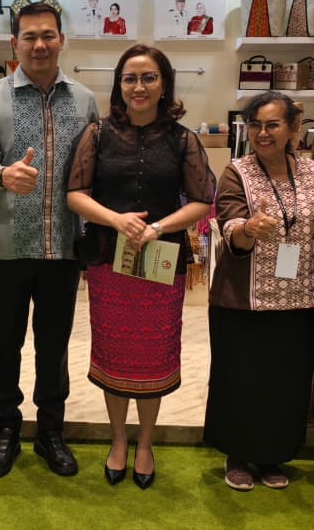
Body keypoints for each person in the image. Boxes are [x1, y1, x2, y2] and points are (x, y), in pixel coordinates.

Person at [66, 45, 214, 488]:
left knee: (153, 358)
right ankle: (118, 440)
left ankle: (145, 444)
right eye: (130, 78)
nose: (139, 87)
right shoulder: (97, 134)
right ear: (119, 85)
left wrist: (158, 227)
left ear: (164, 84)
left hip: (161, 264)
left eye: (149, 77)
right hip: (108, 260)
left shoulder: (183, 140)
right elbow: (75, 194)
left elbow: (203, 200)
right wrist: (117, 220)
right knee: (114, 354)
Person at [0, 2, 99, 479]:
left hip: (63, 247)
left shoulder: (84, 100)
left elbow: (93, 167)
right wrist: (2, 175)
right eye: (29, 36)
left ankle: (50, 432)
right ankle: (5, 429)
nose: (39, 45)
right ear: (15, 43)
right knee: (4, 345)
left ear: (61, 40)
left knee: (54, 345)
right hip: (7, 248)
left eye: (48, 35)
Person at [203, 91, 314, 492]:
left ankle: (273, 454)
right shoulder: (236, 172)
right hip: (242, 298)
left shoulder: (313, 172)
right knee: (240, 378)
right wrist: (248, 230)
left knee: (285, 379)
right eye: (255, 125)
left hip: (300, 296)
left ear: (292, 128)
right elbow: (229, 222)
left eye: (272, 124)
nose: (262, 133)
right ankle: (237, 454)